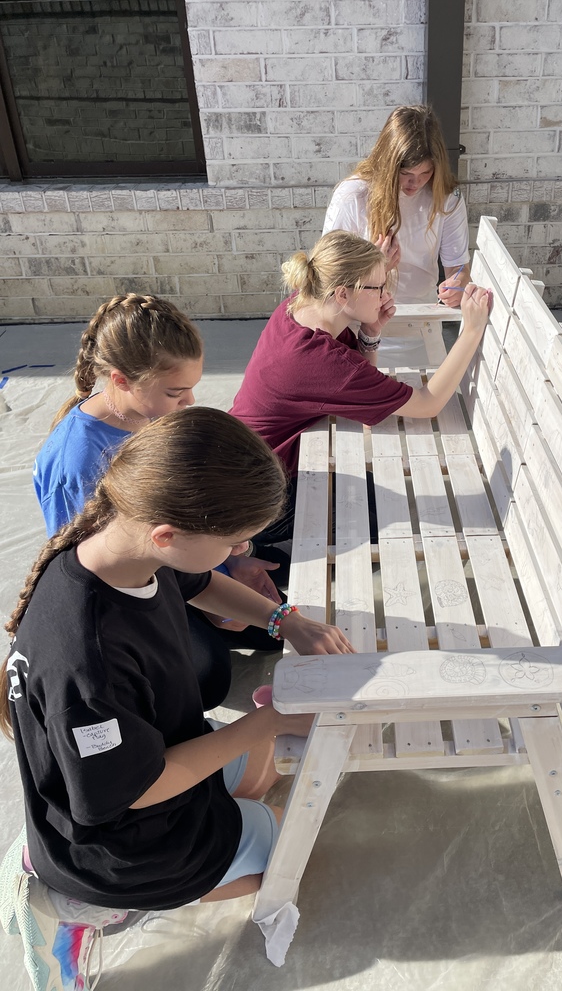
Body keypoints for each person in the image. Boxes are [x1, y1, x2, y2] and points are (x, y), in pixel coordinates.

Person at [1, 409, 352, 991]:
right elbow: (141, 790)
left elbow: (202, 581)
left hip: (148, 751)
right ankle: (94, 905)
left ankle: (215, 831)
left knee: (260, 776)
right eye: (235, 538)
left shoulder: (127, 544)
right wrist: (273, 716)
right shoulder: (88, 660)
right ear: (169, 534)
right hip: (121, 841)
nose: (244, 546)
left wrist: (283, 621)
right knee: (295, 847)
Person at [32, 293, 286, 709]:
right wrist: (209, 590)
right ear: (121, 381)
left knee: (272, 617)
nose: (189, 403)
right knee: (207, 675)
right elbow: (102, 570)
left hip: (182, 559)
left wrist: (233, 558)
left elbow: (190, 512)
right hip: (140, 586)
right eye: (175, 392)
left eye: (191, 389)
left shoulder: (153, 416)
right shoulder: (77, 465)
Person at [230, 230, 492, 544]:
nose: (386, 296)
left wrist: (370, 333)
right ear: (342, 294)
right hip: (257, 500)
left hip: (245, 464)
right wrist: (471, 331)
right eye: (378, 287)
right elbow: (427, 405)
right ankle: (264, 560)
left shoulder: (301, 307)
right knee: (376, 516)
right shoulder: (322, 361)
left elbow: (356, 381)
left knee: (371, 493)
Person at [322, 104, 470, 306]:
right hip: (359, 318)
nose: (415, 183)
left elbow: (458, 266)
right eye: (405, 173)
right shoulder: (353, 195)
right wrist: (375, 267)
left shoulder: (446, 198)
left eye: (425, 173)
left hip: (422, 315)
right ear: (387, 165)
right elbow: (327, 273)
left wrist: (458, 284)